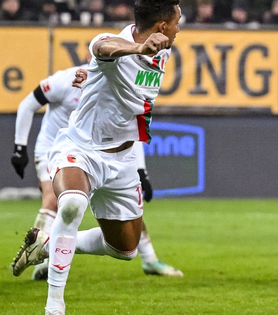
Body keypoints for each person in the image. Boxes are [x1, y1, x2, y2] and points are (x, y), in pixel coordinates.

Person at [11, 0, 183, 315]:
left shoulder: (164, 52)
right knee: (71, 203)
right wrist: (136, 47)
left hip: (122, 159)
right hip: (81, 148)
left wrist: (93, 76)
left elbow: (121, 89)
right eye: (178, 21)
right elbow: (103, 49)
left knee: (124, 249)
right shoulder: (114, 43)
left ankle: (46, 243)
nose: (181, 28)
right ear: (163, 25)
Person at [11, 65, 184, 279]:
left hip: (95, 153)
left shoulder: (116, 88)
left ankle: (150, 260)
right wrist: (20, 147)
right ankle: (42, 263)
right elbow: (28, 104)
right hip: (54, 149)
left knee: (128, 212)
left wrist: (141, 172)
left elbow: (128, 131)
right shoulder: (64, 80)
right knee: (54, 201)